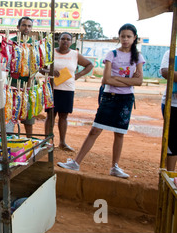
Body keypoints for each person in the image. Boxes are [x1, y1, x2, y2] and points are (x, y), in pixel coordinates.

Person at [58, 24, 145, 179]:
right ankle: (76, 162)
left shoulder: (137, 57)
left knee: (120, 133)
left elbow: (139, 82)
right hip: (109, 96)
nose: (125, 39)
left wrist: (116, 78)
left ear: (134, 38)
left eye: (128, 36)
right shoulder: (112, 54)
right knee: (95, 130)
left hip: (126, 99)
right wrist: (127, 80)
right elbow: (106, 79)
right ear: (119, 37)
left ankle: (115, 167)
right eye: (123, 36)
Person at [43, 32, 93, 151]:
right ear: (58, 40)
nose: (65, 41)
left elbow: (90, 65)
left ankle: (62, 142)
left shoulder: (75, 54)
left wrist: (78, 75)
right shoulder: (51, 53)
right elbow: (40, 67)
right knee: (50, 115)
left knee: (64, 116)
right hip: (52, 89)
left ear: (71, 42)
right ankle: (47, 141)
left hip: (67, 89)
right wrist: (49, 72)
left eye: (68, 39)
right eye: (63, 39)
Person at [7, 16, 36, 136]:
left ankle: (30, 141)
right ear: (18, 27)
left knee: (28, 115)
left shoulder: (34, 44)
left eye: (29, 26)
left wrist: (31, 80)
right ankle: (8, 141)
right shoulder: (10, 43)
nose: (26, 28)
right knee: (10, 112)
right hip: (12, 83)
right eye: (24, 25)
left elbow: (36, 64)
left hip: (28, 84)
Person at [159, 49, 177, 171]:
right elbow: (165, 72)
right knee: (172, 141)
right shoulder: (172, 51)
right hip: (173, 104)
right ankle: (169, 175)